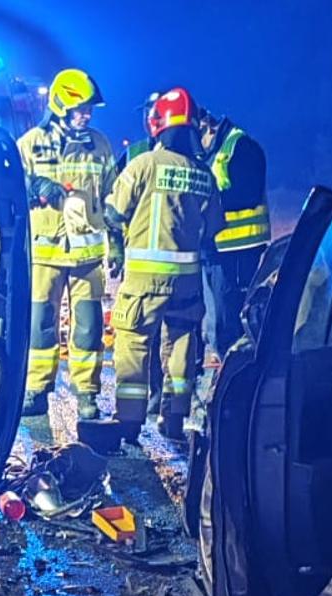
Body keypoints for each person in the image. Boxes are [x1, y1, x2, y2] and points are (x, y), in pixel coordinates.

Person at [104, 88, 223, 441]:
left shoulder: (142, 165)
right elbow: (213, 228)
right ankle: (173, 419)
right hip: (187, 283)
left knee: (134, 346)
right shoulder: (204, 174)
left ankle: (129, 423)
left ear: (158, 125)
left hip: (144, 282)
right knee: (182, 348)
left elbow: (113, 212)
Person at [18, 69, 115, 419]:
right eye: (80, 108)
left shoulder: (101, 145)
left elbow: (111, 196)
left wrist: (116, 245)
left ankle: (87, 394)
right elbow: (12, 186)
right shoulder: (30, 143)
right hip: (44, 255)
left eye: (89, 109)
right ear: (60, 105)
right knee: (40, 325)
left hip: (87, 257)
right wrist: (34, 185)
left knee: (89, 328)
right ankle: (36, 389)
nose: (86, 115)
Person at [198, 105, 271, 357]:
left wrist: (205, 202)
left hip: (240, 249)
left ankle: (238, 367)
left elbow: (248, 194)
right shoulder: (212, 151)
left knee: (231, 316)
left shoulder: (241, 147)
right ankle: (226, 361)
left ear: (207, 126)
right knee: (216, 316)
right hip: (215, 249)